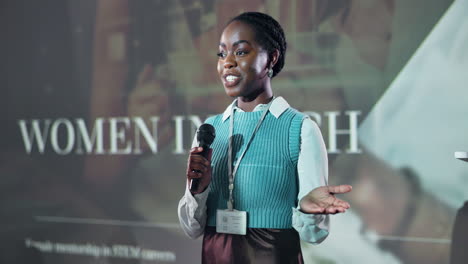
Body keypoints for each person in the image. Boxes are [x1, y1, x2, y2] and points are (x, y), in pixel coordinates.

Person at [178, 12, 352, 263]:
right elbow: (191, 228)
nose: (227, 62)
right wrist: (198, 191)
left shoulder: (299, 128)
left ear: (271, 58)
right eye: (221, 53)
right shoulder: (209, 130)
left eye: (240, 52)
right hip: (217, 254)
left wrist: (305, 208)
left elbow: (315, 234)